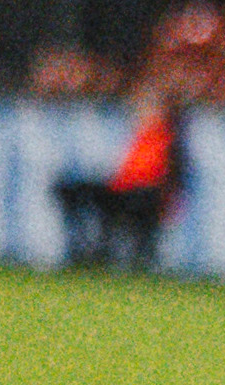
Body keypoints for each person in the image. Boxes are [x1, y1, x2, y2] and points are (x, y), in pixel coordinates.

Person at [55, 92, 185, 269]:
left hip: (144, 194)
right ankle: (87, 252)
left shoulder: (164, 138)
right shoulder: (135, 136)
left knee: (129, 206)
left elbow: (162, 175)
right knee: (77, 191)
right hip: (122, 190)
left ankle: (111, 255)